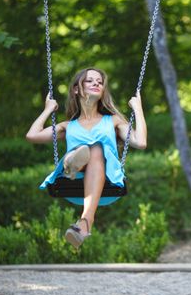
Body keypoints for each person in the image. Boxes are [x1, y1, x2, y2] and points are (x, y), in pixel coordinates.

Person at [26, 67, 147, 249]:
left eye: (99, 81)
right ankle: (73, 165)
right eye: (90, 81)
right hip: (74, 181)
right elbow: (32, 136)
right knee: (88, 150)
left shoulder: (113, 121)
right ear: (76, 89)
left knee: (96, 149)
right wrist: (48, 109)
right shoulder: (67, 126)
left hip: (105, 180)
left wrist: (138, 109)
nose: (96, 83)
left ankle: (85, 217)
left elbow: (141, 142)